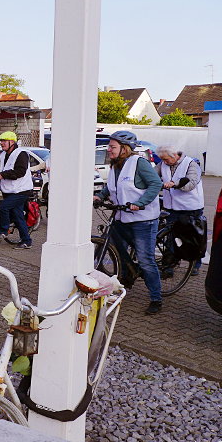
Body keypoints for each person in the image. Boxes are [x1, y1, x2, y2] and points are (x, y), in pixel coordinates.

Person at [93, 130, 164, 315]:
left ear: (124, 148)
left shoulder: (139, 163)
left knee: (146, 259)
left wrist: (139, 203)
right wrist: (100, 196)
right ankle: (126, 277)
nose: (109, 150)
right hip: (121, 217)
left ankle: (156, 298)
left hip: (143, 220)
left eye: (112, 147)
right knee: (117, 250)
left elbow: (156, 184)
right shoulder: (115, 165)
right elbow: (111, 188)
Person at [155, 143, 204, 276]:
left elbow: (191, 183)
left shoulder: (191, 164)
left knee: (192, 237)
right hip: (171, 208)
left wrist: (174, 184)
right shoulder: (163, 164)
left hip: (191, 208)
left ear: (175, 155)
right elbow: (153, 176)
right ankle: (169, 266)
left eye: (166, 159)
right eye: (162, 159)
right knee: (170, 237)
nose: (164, 162)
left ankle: (195, 264)